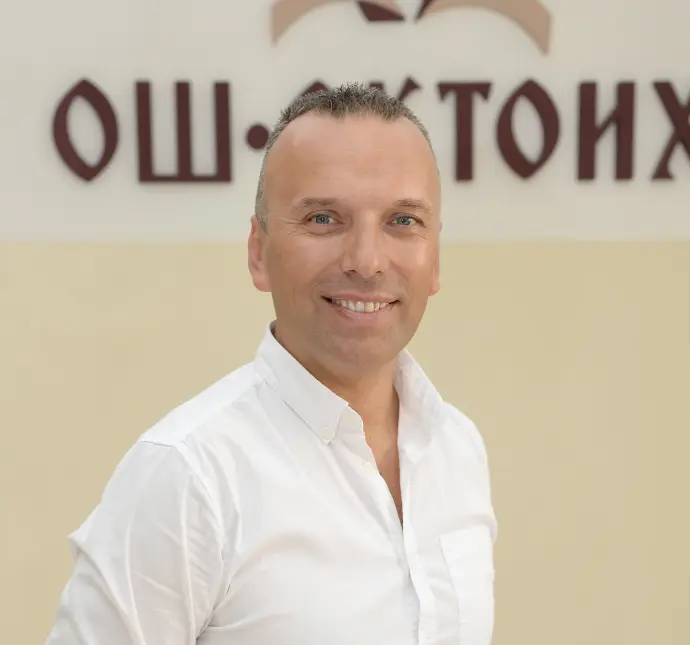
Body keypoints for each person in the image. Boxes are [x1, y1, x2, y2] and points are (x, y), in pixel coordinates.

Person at [44, 83, 497, 645]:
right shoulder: (187, 478)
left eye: (402, 221)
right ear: (258, 253)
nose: (366, 261)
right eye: (324, 219)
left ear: (435, 259)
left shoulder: (457, 448)